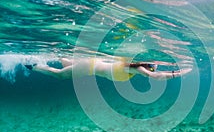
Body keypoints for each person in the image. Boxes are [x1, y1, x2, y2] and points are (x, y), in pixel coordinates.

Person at [25, 56, 192, 81]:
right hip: (90, 67)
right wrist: (178, 74)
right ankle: (36, 66)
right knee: (61, 75)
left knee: (68, 67)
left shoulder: (132, 66)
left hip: (92, 63)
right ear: (146, 65)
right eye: (153, 66)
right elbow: (156, 77)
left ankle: (61, 57)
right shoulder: (137, 69)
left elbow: (155, 73)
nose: (154, 69)